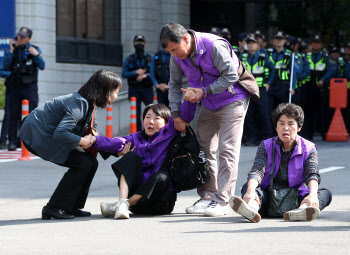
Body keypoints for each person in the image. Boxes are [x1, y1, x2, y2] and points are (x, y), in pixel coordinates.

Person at [160, 23, 249, 217]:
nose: (174, 55)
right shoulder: (176, 57)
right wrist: (176, 115)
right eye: (170, 52)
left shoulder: (213, 45)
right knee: (203, 148)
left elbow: (231, 75)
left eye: (175, 49)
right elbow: (174, 85)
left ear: (185, 38)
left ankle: (223, 200)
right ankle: (207, 196)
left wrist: (204, 91)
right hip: (208, 103)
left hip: (233, 100)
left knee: (227, 149)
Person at [18, 69, 122, 220]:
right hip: (36, 134)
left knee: (90, 162)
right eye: (116, 92)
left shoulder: (88, 104)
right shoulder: (79, 104)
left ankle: (72, 206)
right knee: (83, 163)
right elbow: (60, 133)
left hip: (44, 133)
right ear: (105, 90)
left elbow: (92, 134)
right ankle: (53, 207)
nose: (116, 96)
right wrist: (81, 141)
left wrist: (115, 149)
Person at [230, 103, 332, 223]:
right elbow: (257, 171)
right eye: (281, 123)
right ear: (276, 127)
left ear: (299, 127)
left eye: (290, 124)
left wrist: (312, 195)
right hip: (268, 197)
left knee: (325, 194)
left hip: (296, 198)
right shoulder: (266, 145)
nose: (285, 128)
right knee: (248, 187)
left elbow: (312, 174)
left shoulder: (309, 148)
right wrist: (250, 191)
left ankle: (303, 210)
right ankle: (252, 208)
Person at [91, 103, 190, 219]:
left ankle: (123, 205)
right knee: (131, 156)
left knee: (161, 177)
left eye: (156, 118)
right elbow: (115, 142)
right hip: (138, 205)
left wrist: (189, 99)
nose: (151, 121)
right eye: (147, 117)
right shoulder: (136, 138)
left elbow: (184, 113)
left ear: (167, 122)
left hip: (160, 202)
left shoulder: (170, 133)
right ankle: (122, 202)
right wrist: (94, 139)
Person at [2, 27, 45, 151]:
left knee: (30, 115)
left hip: (29, 87)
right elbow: (3, 67)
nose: (20, 39)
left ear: (29, 38)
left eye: (23, 37)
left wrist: (36, 55)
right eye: (19, 36)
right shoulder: (12, 51)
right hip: (15, 87)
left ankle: (28, 141)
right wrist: (11, 51)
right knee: (13, 115)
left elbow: (42, 66)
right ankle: (12, 141)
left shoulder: (34, 50)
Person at [240, 34, 274, 146]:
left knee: (263, 114)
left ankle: (267, 138)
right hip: (247, 89)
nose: (251, 45)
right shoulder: (243, 57)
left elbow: (272, 68)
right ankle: (251, 137)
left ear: (257, 45)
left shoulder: (264, 56)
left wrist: (269, 82)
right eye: (249, 43)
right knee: (249, 114)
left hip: (260, 89)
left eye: (253, 43)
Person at [302, 35, 338, 140]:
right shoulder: (306, 56)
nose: (315, 44)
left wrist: (323, 79)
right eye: (314, 42)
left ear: (321, 45)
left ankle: (324, 133)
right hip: (308, 87)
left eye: (318, 42)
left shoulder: (326, 57)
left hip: (321, 88)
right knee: (308, 112)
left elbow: (331, 70)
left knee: (323, 112)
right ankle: (308, 134)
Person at [122, 34, 153, 131]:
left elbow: (155, 73)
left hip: (147, 89)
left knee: (151, 112)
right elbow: (124, 74)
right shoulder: (129, 59)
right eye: (137, 43)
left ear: (145, 44)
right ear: (133, 44)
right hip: (134, 89)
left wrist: (145, 76)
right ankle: (138, 135)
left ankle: (150, 132)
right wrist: (135, 72)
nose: (139, 45)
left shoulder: (149, 58)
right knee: (135, 114)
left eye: (141, 43)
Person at [266, 31, 297, 114]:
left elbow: (293, 73)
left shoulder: (289, 54)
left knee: (283, 112)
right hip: (270, 86)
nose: (279, 41)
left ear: (285, 41)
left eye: (281, 39)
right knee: (269, 111)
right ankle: (272, 127)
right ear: (273, 41)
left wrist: (293, 87)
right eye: (277, 39)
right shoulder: (268, 53)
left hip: (283, 87)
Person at [0, 62, 11, 149]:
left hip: (27, 86)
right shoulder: (9, 55)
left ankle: (21, 140)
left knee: (25, 114)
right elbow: (1, 71)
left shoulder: (33, 50)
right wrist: (14, 73)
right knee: (8, 115)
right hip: (12, 88)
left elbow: (40, 66)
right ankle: (4, 140)